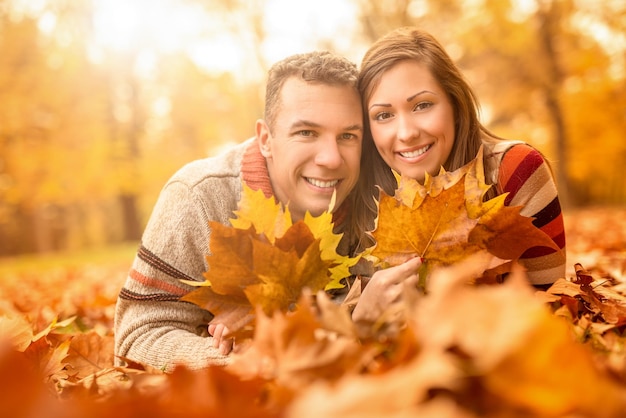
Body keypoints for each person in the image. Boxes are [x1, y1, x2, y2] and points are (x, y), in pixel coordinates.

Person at [114, 51, 364, 371]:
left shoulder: (374, 196)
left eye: (347, 136)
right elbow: (136, 337)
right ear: (265, 139)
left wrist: (287, 322)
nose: (331, 158)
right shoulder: (199, 198)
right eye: (306, 133)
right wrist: (247, 360)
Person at [351, 27, 566, 321]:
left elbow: (552, 315)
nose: (407, 133)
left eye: (422, 105)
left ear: (454, 103)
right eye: (384, 115)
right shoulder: (360, 198)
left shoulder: (515, 170)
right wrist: (358, 325)